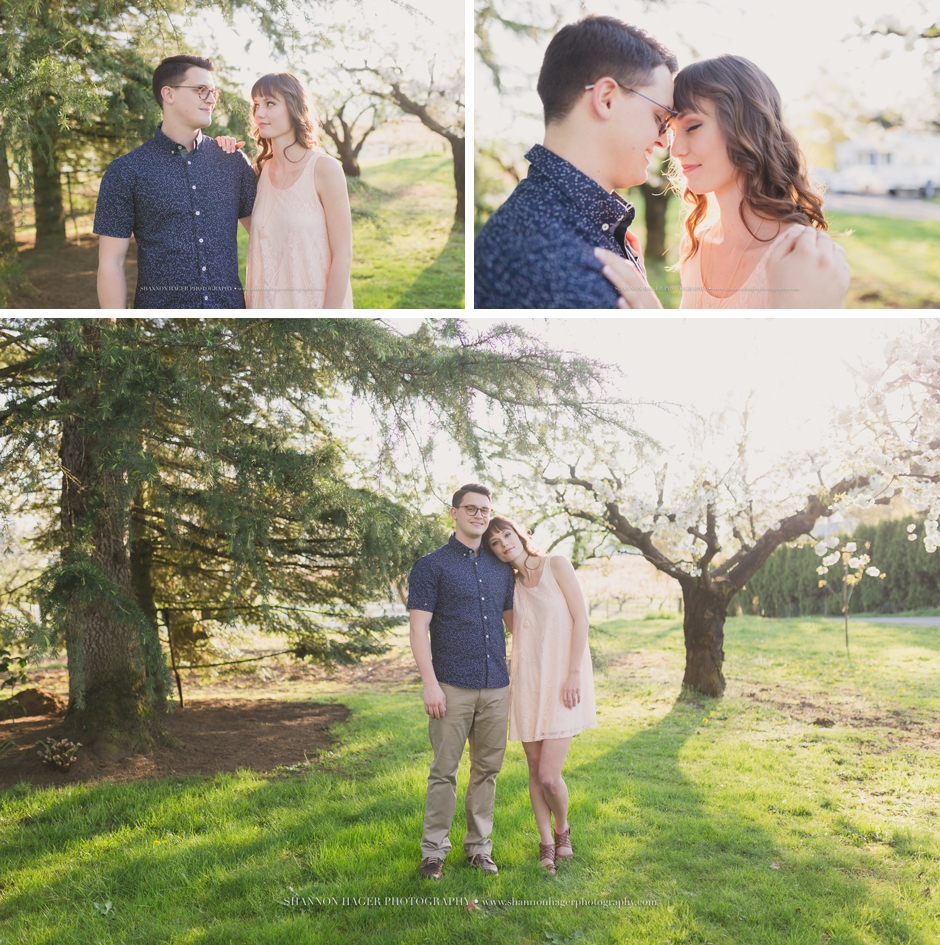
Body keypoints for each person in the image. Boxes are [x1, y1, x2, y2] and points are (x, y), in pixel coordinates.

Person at [597, 54, 850, 309]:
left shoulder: (801, 254)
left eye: (693, 127)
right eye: (673, 132)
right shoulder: (695, 244)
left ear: (748, 127)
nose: (676, 151)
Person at [474, 15, 677, 308]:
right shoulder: (565, 270)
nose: (664, 141)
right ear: (606, 98)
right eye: (660, 119)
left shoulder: (557, 223)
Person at [407, 484, 515, 880]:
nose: (479, 515)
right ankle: (433, 852)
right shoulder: (430, 565)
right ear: (453, 513)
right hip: (450, 685)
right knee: (444, 772)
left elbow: (515, 624)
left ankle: (478, 849)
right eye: (471, 508)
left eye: (485, 510)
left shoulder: (500, 566)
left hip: (496, 685)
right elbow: (419, 629)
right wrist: (430, 684)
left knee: (487, 771)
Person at [94, 55, 257, 308]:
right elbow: (110, 263)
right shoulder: (126, 171)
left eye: (213, 92)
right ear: (168, 95)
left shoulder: (233, 161)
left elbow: (264, 237)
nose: (212, 100)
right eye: (201, 90)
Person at [484, 516, 596, 874]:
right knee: (533, 768)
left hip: (565, 679)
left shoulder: (556, 565)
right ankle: (546, 841)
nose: (504, 544)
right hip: (529, 681)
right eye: (496, 544)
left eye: (506, 535)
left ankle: (563, 828)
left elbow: (581, 619)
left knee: (549, 774)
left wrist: (574, 673)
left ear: (519, 533)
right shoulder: (509, 587)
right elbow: (521, 635)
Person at [242, 73, 353, 308]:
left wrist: (326, 319)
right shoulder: (255, 175)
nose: (259, 114)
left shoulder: (324, 169)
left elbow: (343, 255)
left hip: (316, 305)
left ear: (294, 107)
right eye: (256, 105)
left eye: (270, 103)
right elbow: (261, 238)